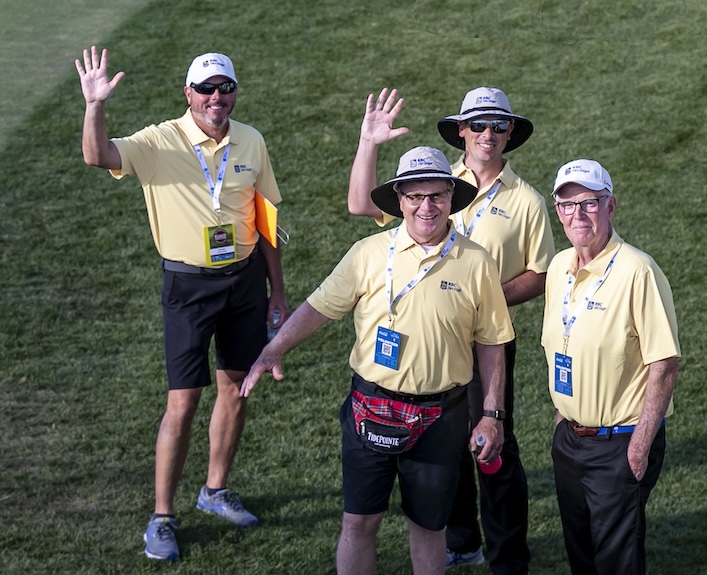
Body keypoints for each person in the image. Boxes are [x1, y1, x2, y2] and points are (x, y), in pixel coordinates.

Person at [241, 146, 515, 575]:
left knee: (430, 528)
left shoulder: (477, 262)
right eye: (416, 196)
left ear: (451, 198)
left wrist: (492, 414)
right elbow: (319, 306)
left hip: (440, 416)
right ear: (400, 199)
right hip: (369, 407)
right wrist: (274, 349)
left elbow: (492, 342)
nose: (427, 207)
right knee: (359, 522)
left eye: (437, 196)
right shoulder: (367, 253)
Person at [75, 46, 291, 561]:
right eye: (207, 89)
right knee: (183, 402)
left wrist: (277, 292)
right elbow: (97, 155)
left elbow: (266, 222)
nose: (217, 98)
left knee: (237, 388)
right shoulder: (158, 141)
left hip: (244, 282)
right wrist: (94, 106)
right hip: (188, 289)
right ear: (188, 94)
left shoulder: (251, 140)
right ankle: (163, 515)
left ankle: (214, 490)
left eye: (226, 88)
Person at [347, 87, 555, 574]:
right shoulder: (433, 180)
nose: (488, 134)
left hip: (486, 340)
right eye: (478, 125)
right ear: (460, 130)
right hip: (426, 339)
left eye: (499, 125)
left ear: (511, 134)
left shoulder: (527, 201)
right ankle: (462, 542)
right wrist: (368, 143)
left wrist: (476, 297)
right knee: (445, 447)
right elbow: (361, 205)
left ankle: (508, 559)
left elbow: (540, 274)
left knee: (495, 448)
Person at [541, 159, 680, 574]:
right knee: (580, 552)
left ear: (611, 206)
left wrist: (639, 444)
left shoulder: (638, 270)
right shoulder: (558, 268)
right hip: (570, 439)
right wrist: (563, 414)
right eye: (567, 205)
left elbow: (665, 363)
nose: (578, 215)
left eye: (589, 203)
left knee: (616, 561)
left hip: (620, 443)